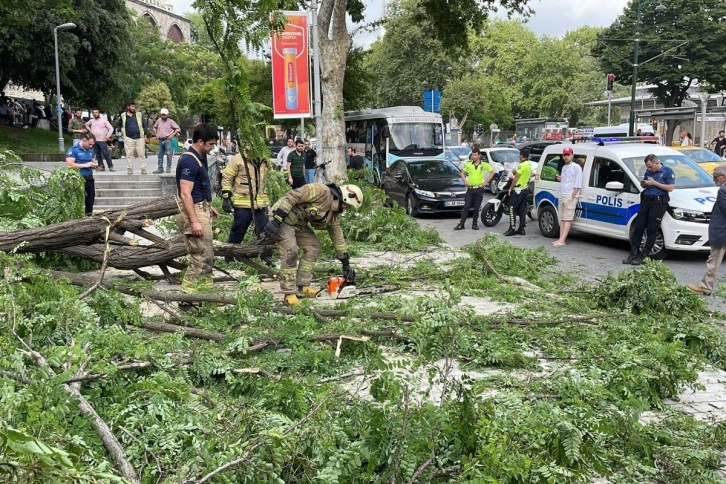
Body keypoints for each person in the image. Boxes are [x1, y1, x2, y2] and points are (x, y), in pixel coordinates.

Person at [261, 183, 363, 307]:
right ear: (344, 198)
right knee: (291, 251)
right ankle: (289, 294)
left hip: (298, 223)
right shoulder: (320, 191)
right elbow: (292, 196)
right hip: (282, 218)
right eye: (347, 205)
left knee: (313, 247)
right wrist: (277, 220)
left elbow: (337, 235)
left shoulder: (333, 213)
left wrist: (345, 262)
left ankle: (302, 286)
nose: (345, 208)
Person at [175, 124, 219, 296]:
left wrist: (208, 206)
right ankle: (187, 297)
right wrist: (194, 221)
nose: (212, 148)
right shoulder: (189, 160)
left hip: (201, 208)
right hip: (193, 212)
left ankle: (207, 294)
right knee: (199, 256)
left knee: (207, 254)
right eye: (210, 144)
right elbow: (185, 193)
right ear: (200, 142)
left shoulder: (199, 157)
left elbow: (197, 189)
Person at [220, 150, 272, 265]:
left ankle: (266, 257)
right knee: (238, 230)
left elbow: (270, 178)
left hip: (261, 203)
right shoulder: (238, 159)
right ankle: (230, 256)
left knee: (266, 231)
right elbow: (227, 176)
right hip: (243, 203)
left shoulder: (264, 159)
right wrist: (226, 196)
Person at [622, 154, 675, 265]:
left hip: (658, 203)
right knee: (639, 227)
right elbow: (646, 183)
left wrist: (654, 183)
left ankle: (644, 255)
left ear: (657, 163)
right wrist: (645, 184)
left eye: (650, 166)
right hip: (646, 201)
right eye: (647, 167)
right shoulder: (648, 172)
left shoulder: (667, 171)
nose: (649, 169)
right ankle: (633, 254)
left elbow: (670, 187)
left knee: (652, 229)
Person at [688, 166, 726, 295]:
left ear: (723, 177)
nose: (714, 180)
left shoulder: (723, 190)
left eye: (715, 177)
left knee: (713, 260)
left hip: (722, 230)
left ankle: (705, 286)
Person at [454, 147, 494, 231]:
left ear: (479, 155)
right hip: (470, 189)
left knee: (476, 207)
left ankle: (474, 224)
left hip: (479, 189)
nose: (473, 156)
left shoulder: (483, 164)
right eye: (472, 155)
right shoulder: (468, 164)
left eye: (475, 155)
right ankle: (462, 224)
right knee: (466, 206)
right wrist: (465, 181)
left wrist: (486, 182)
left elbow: (492, 172)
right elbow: (462, 173)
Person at [551, 147, 582, 247]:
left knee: (567, 219)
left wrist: (572, 197)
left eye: (568, 155)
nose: (566, 157)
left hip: (570, 196)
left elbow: (578, 184)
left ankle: (562, 240)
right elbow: (566, 180)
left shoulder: (576, 167)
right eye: (565, 155)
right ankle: (561, 239)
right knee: (562, 219)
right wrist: (560, 178)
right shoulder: (564, 167)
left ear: (572, 155)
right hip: (562, 195)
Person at [65, 133, 98, 216]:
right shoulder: (74, 150)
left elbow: (93, 161)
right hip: (78, 177)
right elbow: (70, 165)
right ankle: (76, 215)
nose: (90, 146)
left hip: (89, 177)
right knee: (77, 199)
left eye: (92, 145)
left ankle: (89, 215)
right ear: (84, 140)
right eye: (89, 144)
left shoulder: (90, 150)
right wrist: (85, 165)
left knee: (91, 198)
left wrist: (95, 165)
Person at [504, 149, 532, 236]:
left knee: (512, 208)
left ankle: (512, 228)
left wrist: (510, 189)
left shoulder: (521, 165)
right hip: (524, 190)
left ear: (521, 155)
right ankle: (521, 229)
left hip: (517, 190)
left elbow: (516, 178)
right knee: (522, 209)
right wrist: (511, 172)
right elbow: (516, 171)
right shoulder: (528, 164)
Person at [116, 100, 148, 175]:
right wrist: (119, 131)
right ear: (128, 107)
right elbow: (118, 124)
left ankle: (143, 169)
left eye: (134, 107)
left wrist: (145, 135)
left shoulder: (139, 114)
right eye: (132, 106)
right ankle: (129, 169)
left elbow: (144, 125)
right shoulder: (123, 115)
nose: (134, 108)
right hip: (128, 138)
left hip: (139, 137)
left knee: (141, 154)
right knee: (129, 155)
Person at [153, 108, 181, 174]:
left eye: (164, 115)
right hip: (160, 140)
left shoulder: (171, 121)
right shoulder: (158, 121)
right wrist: (156, 134)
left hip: (167, 140)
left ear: (167, 115)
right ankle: (160, 168)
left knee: (169, 154)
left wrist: (172, 135)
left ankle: (168, 168)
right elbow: (154, 127)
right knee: (160, 154)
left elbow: (178, 129)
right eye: (162, 115)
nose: (163, 116)